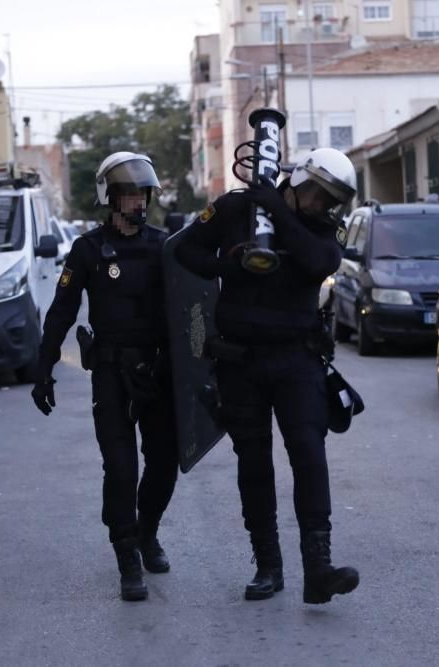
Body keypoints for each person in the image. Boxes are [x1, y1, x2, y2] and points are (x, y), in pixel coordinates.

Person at [174, 147, 360, 604]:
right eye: (317, 195)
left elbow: (321, 262)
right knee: (253, 464)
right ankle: (267, 566)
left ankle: (318, 569)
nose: (322, 206)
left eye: (330, 201)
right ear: (300, 182)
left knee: (308, 456)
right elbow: (184, 250)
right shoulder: (238, 208)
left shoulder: (318, 227)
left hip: (297, 359)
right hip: (240, 360)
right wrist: (227, 264)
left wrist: (283, 215)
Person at [30, 152, 178, 602]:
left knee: (164, 464)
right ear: (110, 197)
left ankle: (147, 531)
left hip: (158, 371)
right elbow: (61, 312)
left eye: (142, 193)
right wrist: (44, 368)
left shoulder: (164, 245)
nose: (137, 201)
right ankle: (127, 553)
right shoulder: (88, 250)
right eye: (128, 193)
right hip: (112, 373)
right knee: (119, 467)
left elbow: (195, 305)